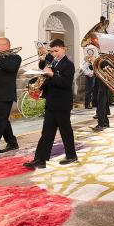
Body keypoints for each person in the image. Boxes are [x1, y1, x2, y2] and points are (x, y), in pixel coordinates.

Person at [23, 39, 78, 169]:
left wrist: (52, 75)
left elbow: (65, 84)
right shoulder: (53, 62)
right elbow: (44, 73)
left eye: (56, 51)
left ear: (64, 49)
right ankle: (40, 160)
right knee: (46, 132)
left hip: (62, 103)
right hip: (51, 102)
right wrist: (38, 87)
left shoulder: (68, 65)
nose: (54, 54)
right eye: (52, 51)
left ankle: (71, 155)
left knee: (65, 131)